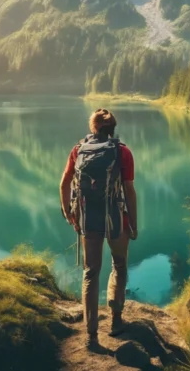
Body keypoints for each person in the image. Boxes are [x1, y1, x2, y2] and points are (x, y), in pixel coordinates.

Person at [59, 108, 138, 349]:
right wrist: (133, 224)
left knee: (90, 274)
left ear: (93, 127)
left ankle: (91, 335)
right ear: (113, 128)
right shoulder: (122, 152)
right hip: (116, 220)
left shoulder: (78, 150)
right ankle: (115, 322)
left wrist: (69, 214)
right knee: (119, 266)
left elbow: (64, 184)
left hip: (88, 221)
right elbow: (129, 191)